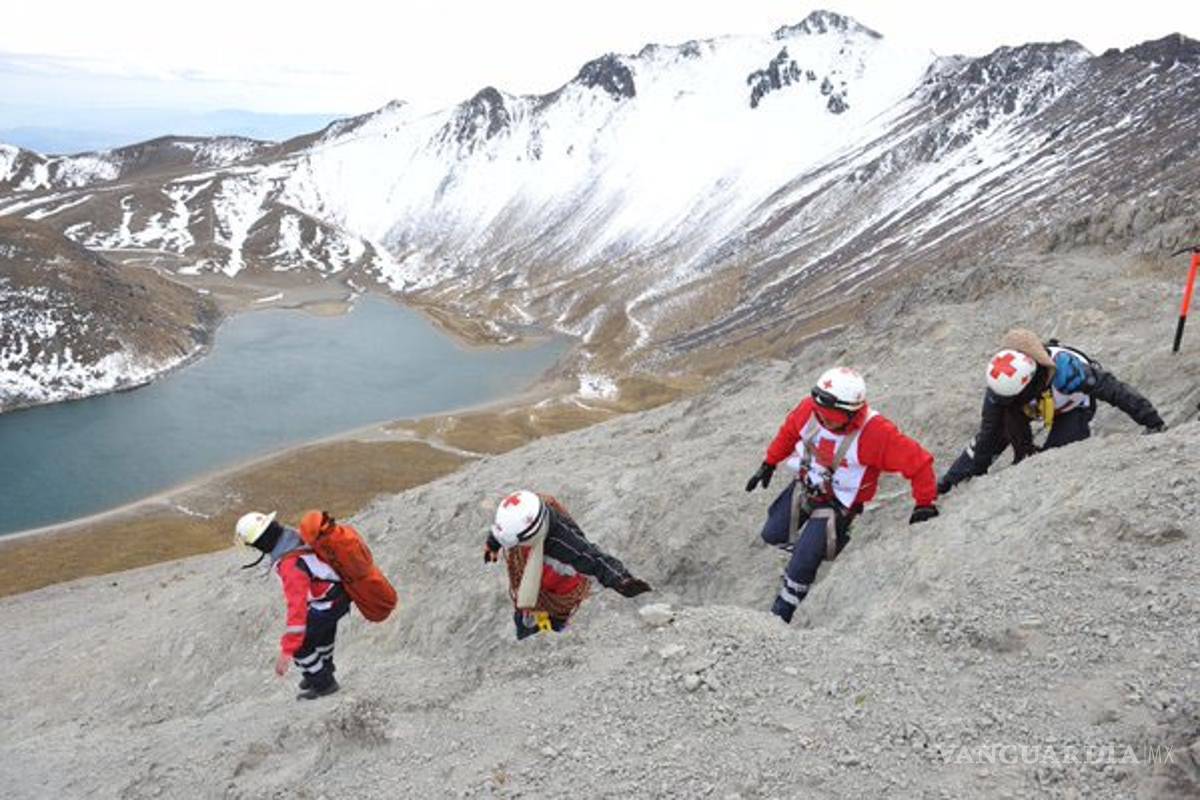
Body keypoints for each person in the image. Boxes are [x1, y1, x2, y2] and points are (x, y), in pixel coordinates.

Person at [744, 366, 939, 624]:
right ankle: (815, 549)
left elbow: (919, 463)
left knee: (802, 564)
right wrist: (769, 462)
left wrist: (924, 502)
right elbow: (789, 432)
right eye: (820, 416)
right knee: (773, 533)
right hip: (806, 485)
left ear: (852, 412)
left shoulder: (876, 434)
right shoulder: (809, 410)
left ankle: (782, 612)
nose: (823, 422)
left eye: (830, 418)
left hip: (839, 503)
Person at [938, 329, 1167, 494]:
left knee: (1053, 460)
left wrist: (1152, 421)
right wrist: (955, 480)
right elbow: (987, 434)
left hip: (1073, 407)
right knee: (1001, 430)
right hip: (1034, 406)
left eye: (1012, 398)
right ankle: (951, 480)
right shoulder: (1001, 388)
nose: (1003, 401)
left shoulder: (1068, 371)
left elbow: (1114, 391)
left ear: (1030, 382)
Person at [483, 490, 652, 639]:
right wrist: (493, 544)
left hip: (561, 587)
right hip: (535, 582)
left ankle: (556, 638)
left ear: (532, 534)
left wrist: (621, 580)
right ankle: (527, 636)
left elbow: (596, 560)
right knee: (524, 623)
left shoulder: (564, 543)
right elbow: (503, 529)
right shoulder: (524, 515)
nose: (515, 548)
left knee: (557, 621)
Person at [235, 511, 351, 700]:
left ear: (260, 542)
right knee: (321, 635)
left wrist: (288, 649)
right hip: (338, 595)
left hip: (328, 602)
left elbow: (296, 607)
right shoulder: (296, 539)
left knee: (301, 646)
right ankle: (323, 668)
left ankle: (323, 683)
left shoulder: (289, 564)